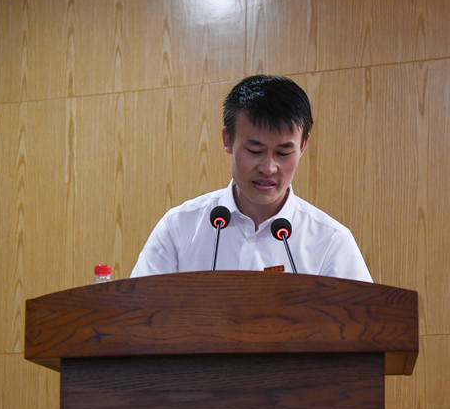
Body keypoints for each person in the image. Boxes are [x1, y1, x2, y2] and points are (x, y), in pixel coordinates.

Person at [129, 75, 372, 282]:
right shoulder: (180, 227)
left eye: (283, 153)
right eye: (255, 151)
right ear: (228, 139)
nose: (268, 168)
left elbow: (362, 322)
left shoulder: (331, 242)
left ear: (303, 145)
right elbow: (137, 313)